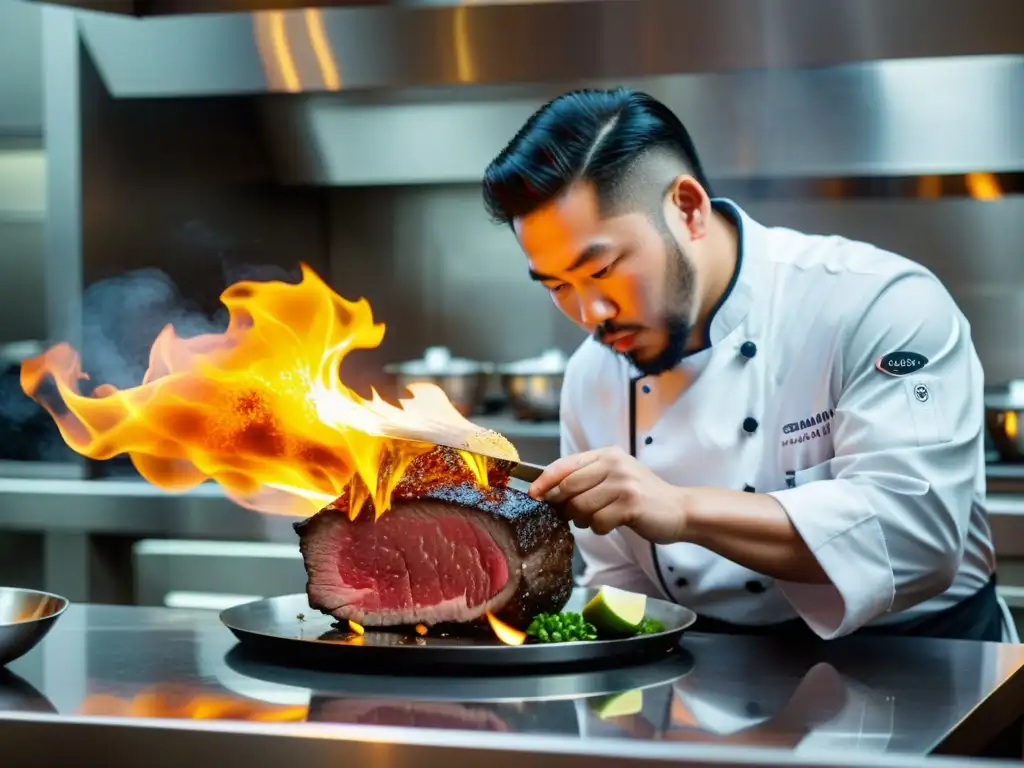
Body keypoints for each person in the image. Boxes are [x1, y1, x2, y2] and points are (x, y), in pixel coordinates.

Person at [481, 87, 1011, 642]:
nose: (590, 313)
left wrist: (682, 509)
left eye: (603, 269)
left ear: (688, 209)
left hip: (926, 667)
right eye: (558, 285)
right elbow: (620, 586)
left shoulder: (875, 303)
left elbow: (916, 539)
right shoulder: (593, 374)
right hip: (706, 677)